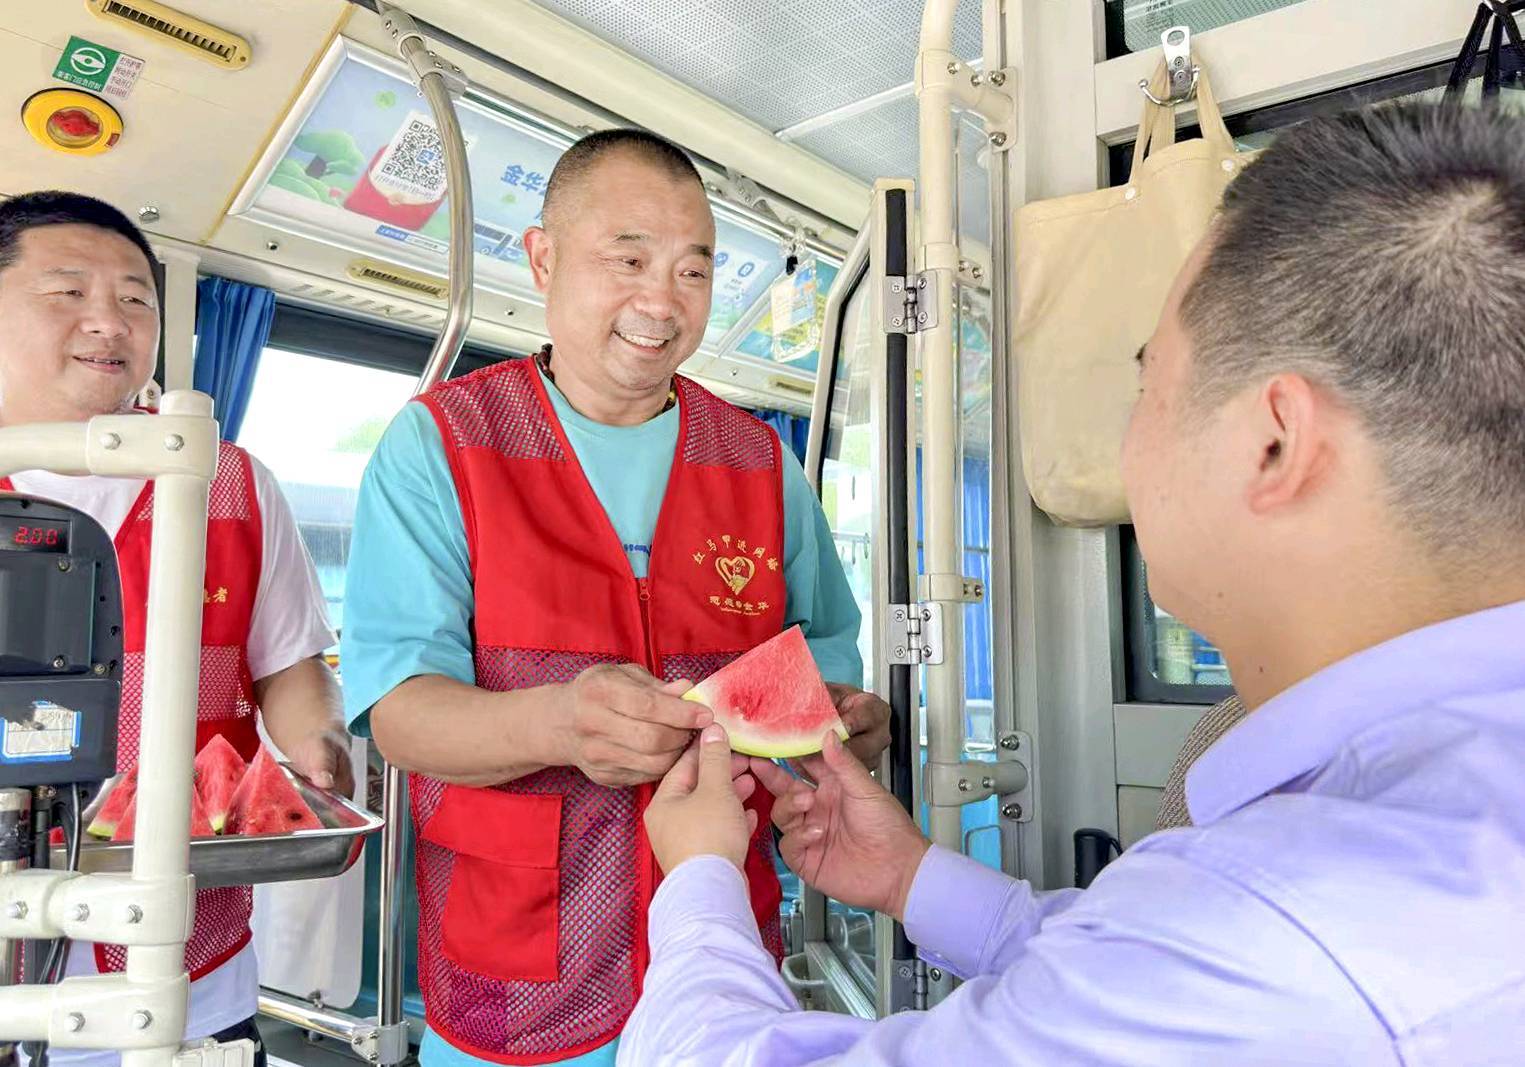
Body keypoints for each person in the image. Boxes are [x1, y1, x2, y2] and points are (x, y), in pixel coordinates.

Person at [622, 101, 1525, 1065]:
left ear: (1274, 441)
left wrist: (702, 877)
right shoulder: (1435, 809)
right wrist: (912, 877)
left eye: (1149, 384)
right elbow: (1135, 968)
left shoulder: (1281, 932)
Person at [340, 128, 891, 1067]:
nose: (661, 301)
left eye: (692, 271)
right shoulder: (442, 446)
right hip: (519, 972)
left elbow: (822, 667)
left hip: (721, 951)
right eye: (628, 259)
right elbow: (398, 714)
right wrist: (559, 723)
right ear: (543, 258)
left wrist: (845, 723)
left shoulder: (760, 462)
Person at [0, 191, 353, 1065]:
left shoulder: (228, 480)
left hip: (190, 970)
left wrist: (320, 746)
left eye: (135, 298)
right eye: (68, 291)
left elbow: (289, 667)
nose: (108, 320)